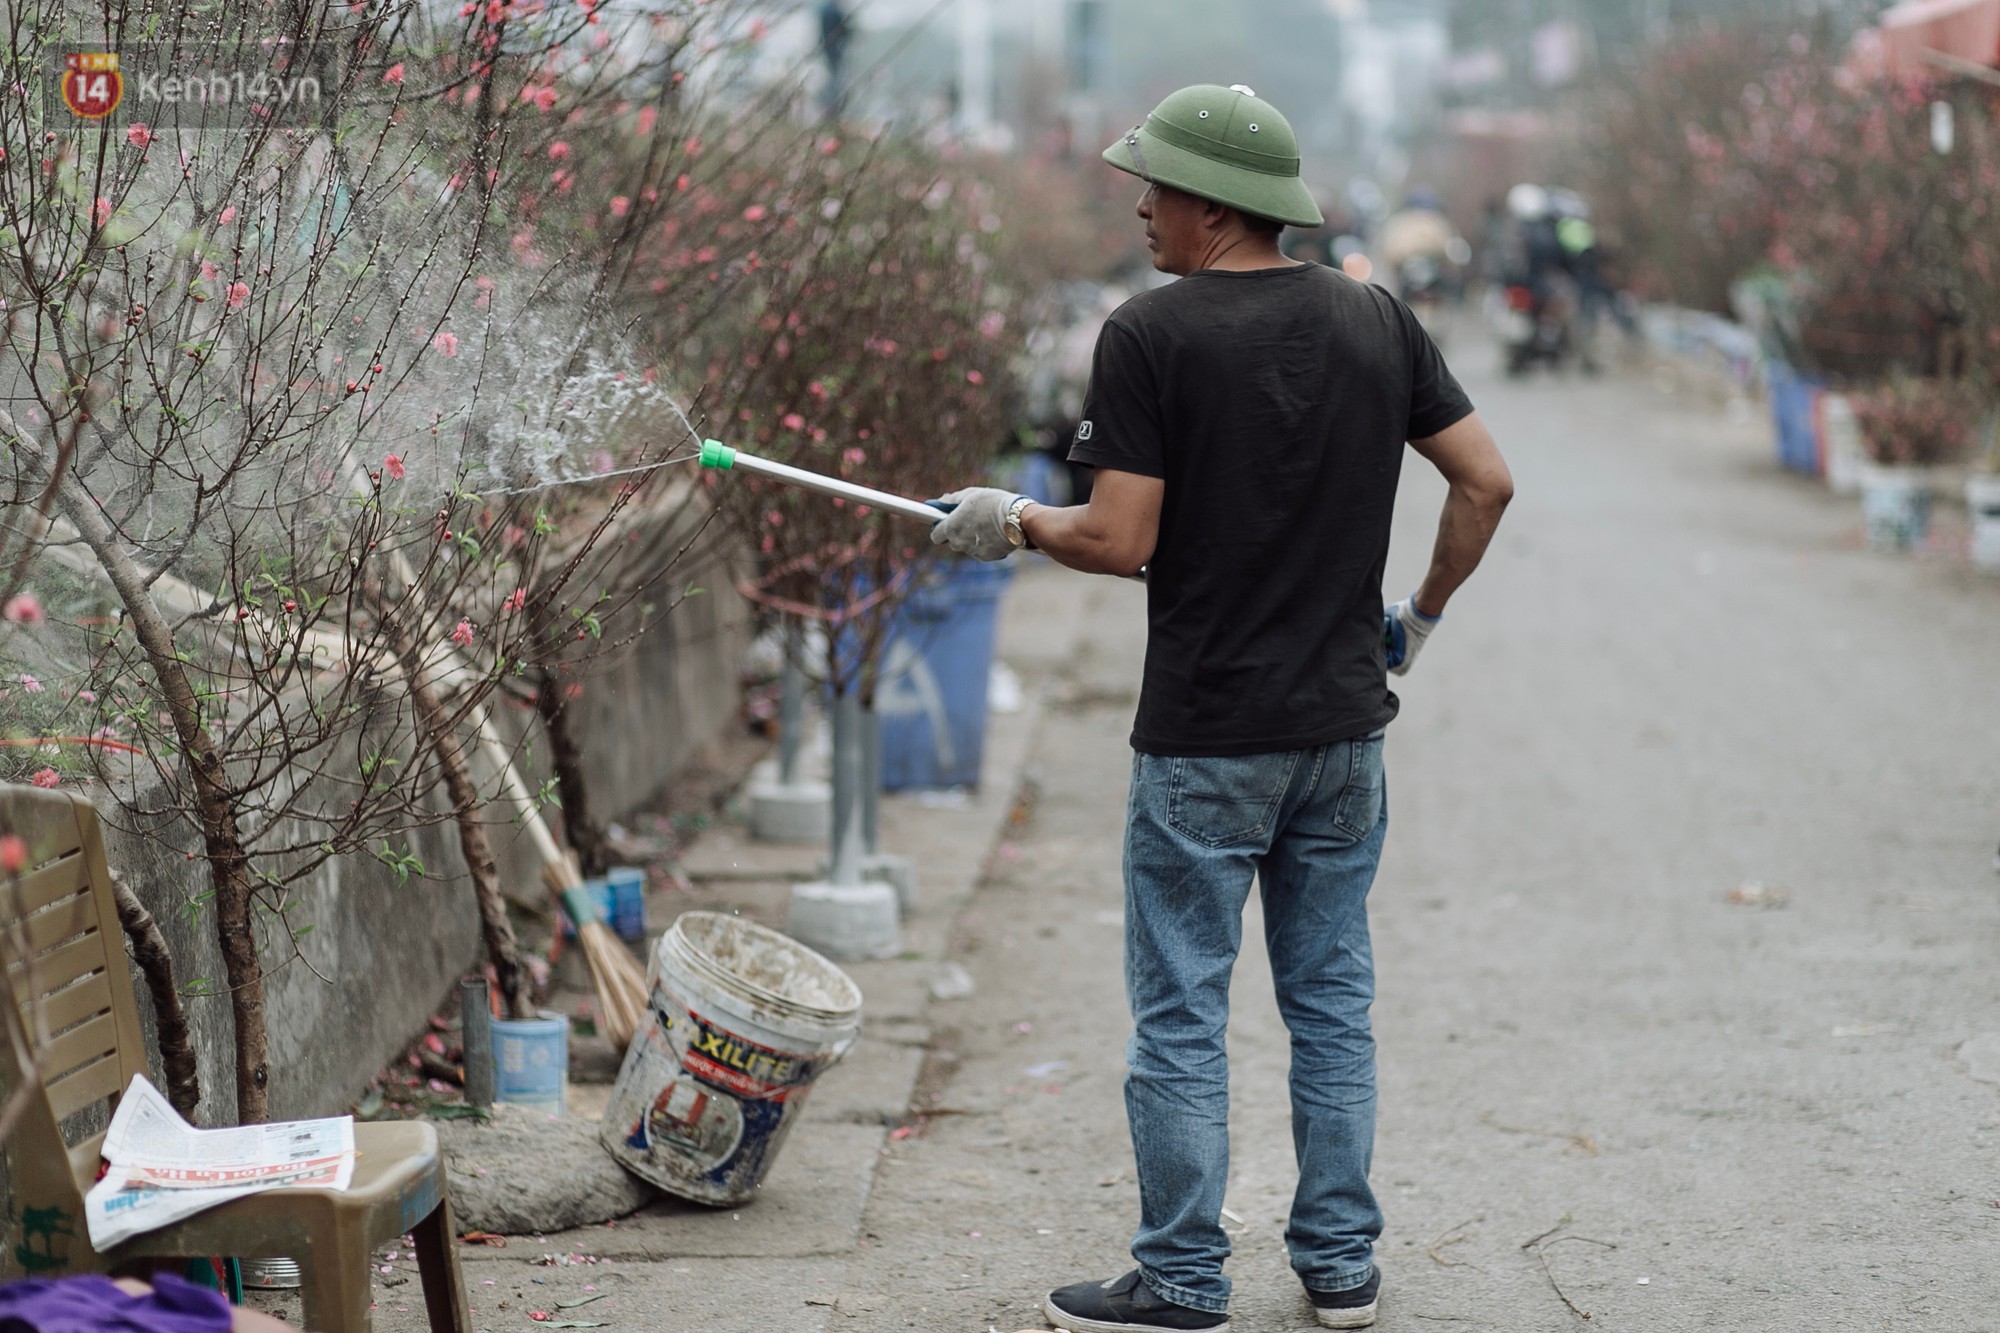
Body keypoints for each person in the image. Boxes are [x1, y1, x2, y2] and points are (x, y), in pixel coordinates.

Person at [928, 83, 1513, 1332]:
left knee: (1183, 1010)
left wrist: (1013, 521)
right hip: (1345, 731)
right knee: (1330, 1002)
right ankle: (1342, 1268)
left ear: (1211, 203)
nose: (1139, 204)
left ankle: (1185, 1280)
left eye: (1155, 185)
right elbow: (1487, 482)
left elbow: (1117, 534)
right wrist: (1418, 617)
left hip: (1205, 739)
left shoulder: (1150, 335)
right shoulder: (1375, 319)